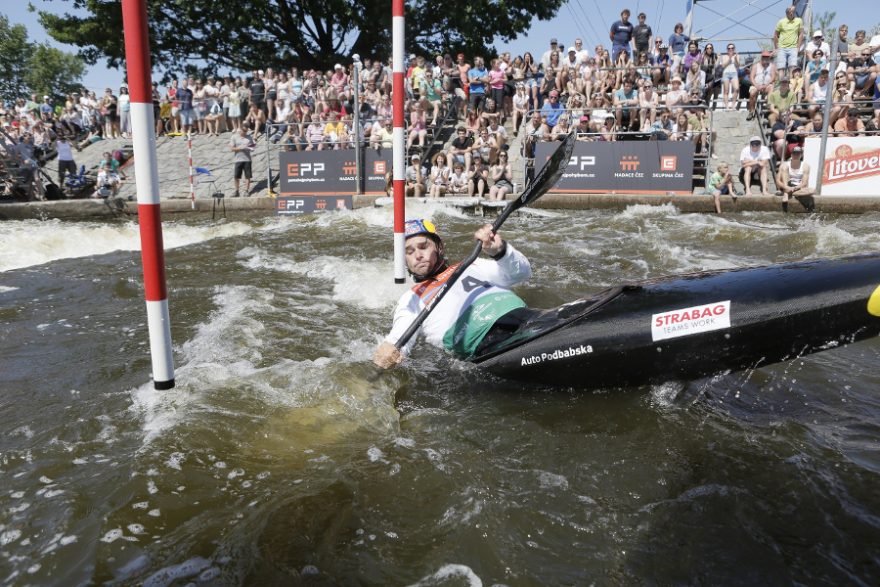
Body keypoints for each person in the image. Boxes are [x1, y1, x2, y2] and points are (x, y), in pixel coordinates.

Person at [373, 220, 533, 368]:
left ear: (439, 247)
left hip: (524, 317)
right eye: (409, 252)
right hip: (486, 344)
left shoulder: (472, 264)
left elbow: (522, 273)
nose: (418, 255)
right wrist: (387, 353)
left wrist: (500, 251)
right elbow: (399, 340)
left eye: (423, 247)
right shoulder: (411, 299)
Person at [775, 146, 814, 212]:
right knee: (785, 168)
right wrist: (786, 187)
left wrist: (794, 188)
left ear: (801, 155)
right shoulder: (784, 164)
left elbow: (804, 183)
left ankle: (788, 193)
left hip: (796, 187)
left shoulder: (805, 166)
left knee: (813, 190)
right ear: (791, 154)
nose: (796, 155)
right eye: (794, 153)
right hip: (786, 185)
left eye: (798, 154)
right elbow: (778, 180)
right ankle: (786, 192)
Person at [773, 5, 804, 75]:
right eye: (790, 12)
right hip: (782, 48)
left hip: (793, 48)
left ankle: (790, 85)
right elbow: (775, 35)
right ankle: (782, 85)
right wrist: (776, 48)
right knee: (781, 68)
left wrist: (798, 47)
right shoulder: (781, 22)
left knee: (792, 68)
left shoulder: (799, 21)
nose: (791, 13)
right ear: (786, 13)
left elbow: (801, 34)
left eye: (793, 11)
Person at [230, 126, 253, 197]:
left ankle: (246, 191)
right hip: (238, 160)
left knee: (247, 176)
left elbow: (253, 147)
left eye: (246, 131)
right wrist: (240, 148)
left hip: (247, 159)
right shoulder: (234, 137)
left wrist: (248, 147)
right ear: (240, 130)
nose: (245, 132)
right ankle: (237, 191)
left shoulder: (249, 137)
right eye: (243, 131)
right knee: (236, 176)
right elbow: (231, 148)